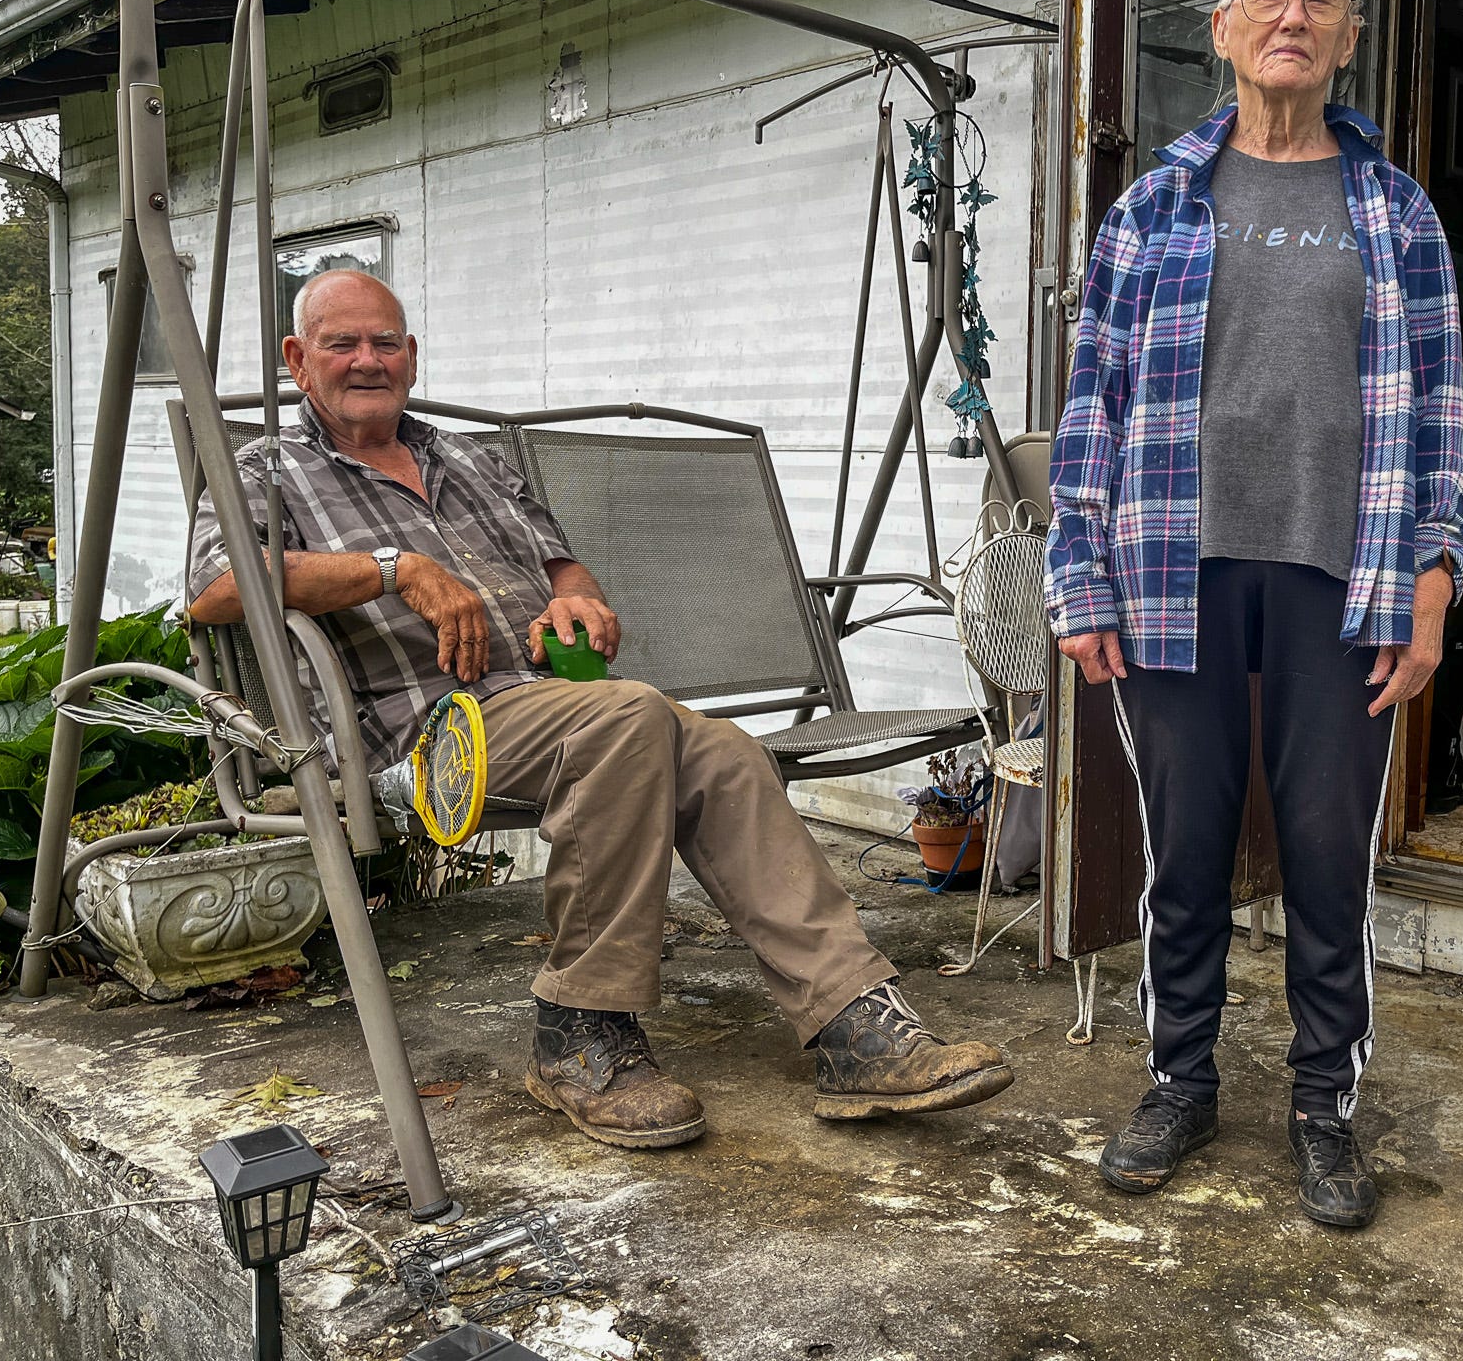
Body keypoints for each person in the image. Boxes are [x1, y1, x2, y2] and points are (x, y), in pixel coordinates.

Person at [189, 269, 1013, 1149]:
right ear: (296, 360)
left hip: (554, 702)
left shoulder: (468, 460)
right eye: (341, 344)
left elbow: (561, 566)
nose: (367, 360)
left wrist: (576, 601)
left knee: (725, 751)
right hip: (429, 735)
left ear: (412, 356)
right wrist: (395, 569)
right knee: (631, 718)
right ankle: (579, 1031)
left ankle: (852, 1023)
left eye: (385, 342)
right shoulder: (267, 468)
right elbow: (213, 586)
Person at [1045, 0, 1463, 1229]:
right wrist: (1079, 578)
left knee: (1330, 850)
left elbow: (1445, 413)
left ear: (1349, 36)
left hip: (1341, 575)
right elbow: (1094, 405)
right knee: (1184, 850)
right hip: (1171, 561)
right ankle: (1181, 1080)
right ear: (1224, 29)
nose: (1294, 14)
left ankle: (1323, 1101)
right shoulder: (1153, 206)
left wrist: (1434, 589)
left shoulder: (1396, 213)